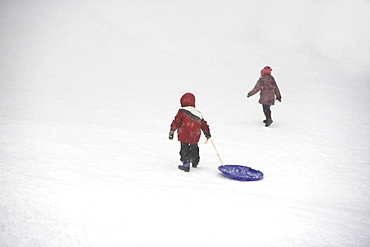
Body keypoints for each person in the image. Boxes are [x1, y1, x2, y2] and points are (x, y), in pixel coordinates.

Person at [169, 92, 211, 172]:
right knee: (194, 147)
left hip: (184, 134)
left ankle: (186, 164)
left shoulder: (181, 111)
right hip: (195, 135)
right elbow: (203, 124)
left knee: (184, 148)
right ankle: (195, 161)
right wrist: (207, 133)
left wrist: (172, 130)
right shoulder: (198, 113)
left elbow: (176, 122)